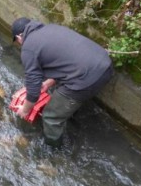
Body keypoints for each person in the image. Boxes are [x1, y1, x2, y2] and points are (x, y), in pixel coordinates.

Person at [11, 17, 114, 147]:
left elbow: (32, 89)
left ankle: (54, 150)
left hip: (87, 79)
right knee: (62, 92)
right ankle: (70, 113)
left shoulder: (28, 48)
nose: (20, 44)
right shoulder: (52, 28)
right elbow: (64, 61)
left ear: (19, 37)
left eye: (17, 41)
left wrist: (25, 110)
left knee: (50, 117)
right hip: (105, 65)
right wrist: (48, 83)